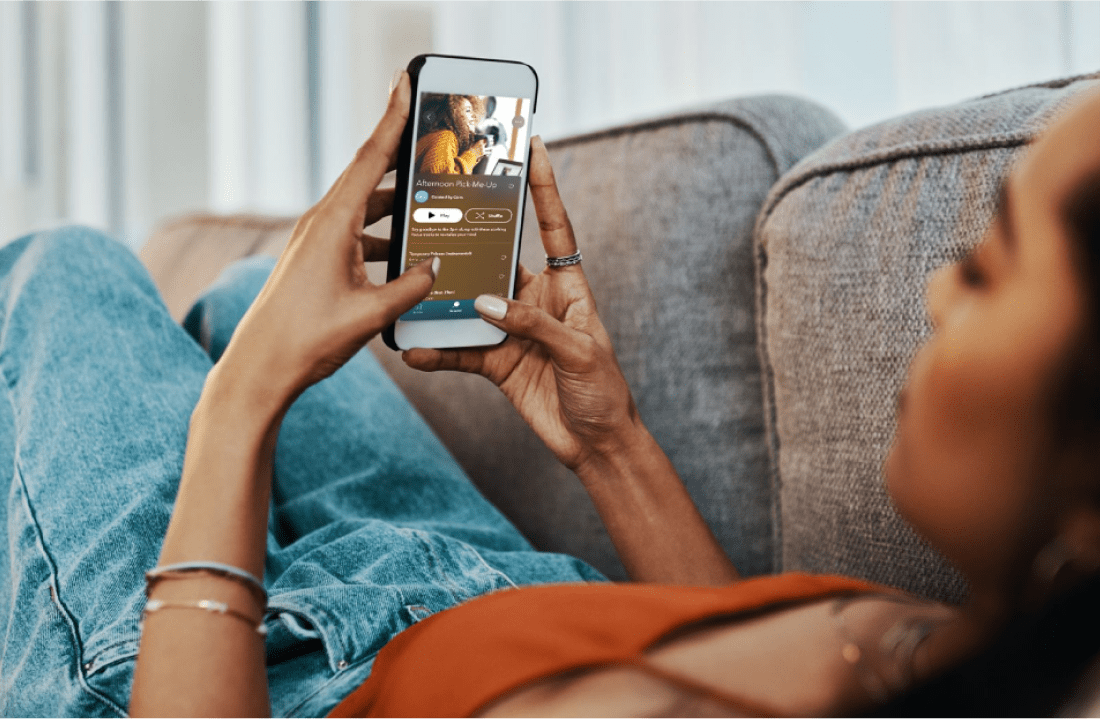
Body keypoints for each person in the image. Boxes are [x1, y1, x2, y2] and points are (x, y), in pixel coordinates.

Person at [0, 70, 1098, 717]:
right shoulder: (973, 650)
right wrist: (607, 439)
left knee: (66, 267)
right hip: (479, 579)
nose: (939, 290)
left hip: (268, 678)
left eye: (989, 265)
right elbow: (729, 642)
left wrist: (241, 402)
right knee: (251, 294)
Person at [414, 93, 489, 174]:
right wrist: (473, 154)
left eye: (473, 111)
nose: (474, 116)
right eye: (468, 110)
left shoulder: (436, 136)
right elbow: (442, 180)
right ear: (451, 114)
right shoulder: (445, 137)